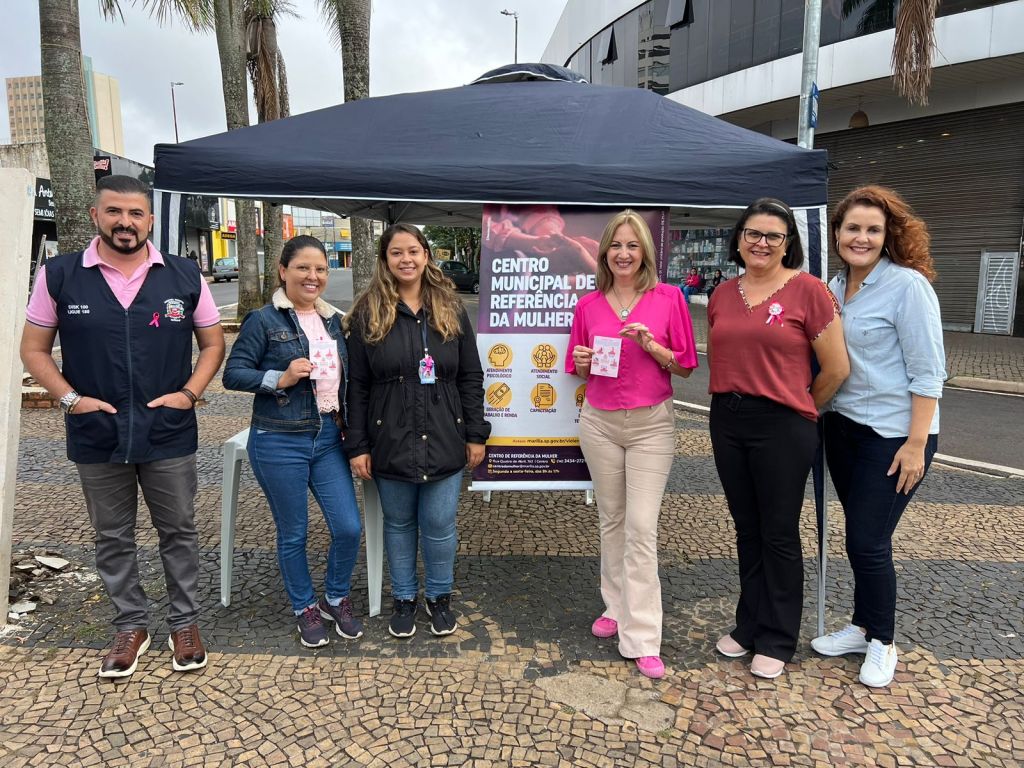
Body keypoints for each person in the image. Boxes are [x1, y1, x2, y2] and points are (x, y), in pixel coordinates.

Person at [20, 175, 225, 678]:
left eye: (136, 213)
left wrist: (189, 394)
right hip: (97, 430)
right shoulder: (60, 276)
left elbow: (213, 344)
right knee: (111, 536)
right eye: (114, 212)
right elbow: (33, 349)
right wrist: (70, 400)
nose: (125, 222)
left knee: (178, 529)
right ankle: (131, 624)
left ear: (150, 221)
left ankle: (185, 622)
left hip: (168, 429)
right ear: (96, 215)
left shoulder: (183, 275)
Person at [708, 198, 849, 680]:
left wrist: (799, 402)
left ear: (788, 243)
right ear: (739, 239)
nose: (761, 243)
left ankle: (778, 635)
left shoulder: (808, 290)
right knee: (746, 528)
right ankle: (748, 624)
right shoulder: (724, 293)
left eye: (773, 235)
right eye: (753, 233)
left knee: (779, 532)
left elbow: (836, 368)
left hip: (784, 424)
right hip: (727, 418)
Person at [812, 186, 945, 688]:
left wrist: (916, 444)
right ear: (838, 234)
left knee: (868, 541)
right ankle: (862, 626)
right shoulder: (831, 286)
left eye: (872, 229)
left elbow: (929, 372)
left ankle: (883, 642)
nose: (861, 237)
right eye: (852, 228)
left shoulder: (908, 286)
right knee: (860, 536)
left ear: (888, 236)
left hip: (894, 435)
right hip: (843, 427)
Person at [566, 209, 698, 679]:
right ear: (605, 252)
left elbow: (684, 366)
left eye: (633, 245)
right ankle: (616, 606)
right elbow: (581, 368)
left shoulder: (668, 299)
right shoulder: (589, 305)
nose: (623, 253)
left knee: (641, 528)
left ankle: (642, 635)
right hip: (599, 422)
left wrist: (652, 347)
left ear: (645, 251)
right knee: (613, 521)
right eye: (616, 246)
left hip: (651, 426)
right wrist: (582, 360)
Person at [344, 224, 490, 639]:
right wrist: (357, 444)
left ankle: (439, 597)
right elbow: (355, 385)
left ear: (427, 255)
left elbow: (470, 376)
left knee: (441, 524)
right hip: (389, 437)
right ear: (384, 260)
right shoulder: (369, 311)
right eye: (395, 253)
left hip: (445, 435)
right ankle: (405, 597)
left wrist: (476, 434)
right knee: (399, 523)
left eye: (413, 251)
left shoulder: (450, 308)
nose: (405, 259)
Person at [222, 235, 363, 648]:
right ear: (283, 271)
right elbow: (234, 373)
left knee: (348, 527)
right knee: (294, 532)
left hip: (327, 438)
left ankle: (335, 597)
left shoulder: (335, 321)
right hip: (280, 438)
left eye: (320, 269)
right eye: (303, 267)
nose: (313, 276)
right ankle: (304, 606)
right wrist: (278, 378)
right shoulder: (263, 320)